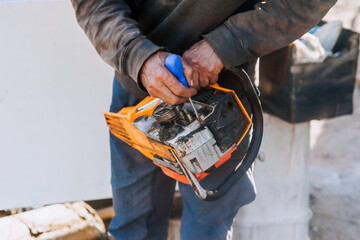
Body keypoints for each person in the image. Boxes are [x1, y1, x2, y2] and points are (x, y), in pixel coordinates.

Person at [71, 0, 336, 239]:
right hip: (139, 92)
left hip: (224, 102)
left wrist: (224, 44)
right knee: (134, 227)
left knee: (206, 230)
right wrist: (137, 56)